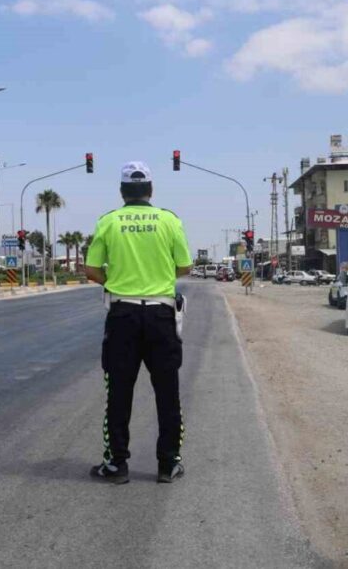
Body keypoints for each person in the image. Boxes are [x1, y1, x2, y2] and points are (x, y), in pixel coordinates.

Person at [83, 161, 193, 484]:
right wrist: (157, 277)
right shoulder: (169, 221)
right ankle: (168, 463)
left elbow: (90, 270)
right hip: (160, 315)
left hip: (122, 316)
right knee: (167, 392)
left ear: (122, 192)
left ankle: (117, 465)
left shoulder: (109, 222)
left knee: (118, 392)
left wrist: (116, 280)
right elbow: (185, 267)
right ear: (150, 190)